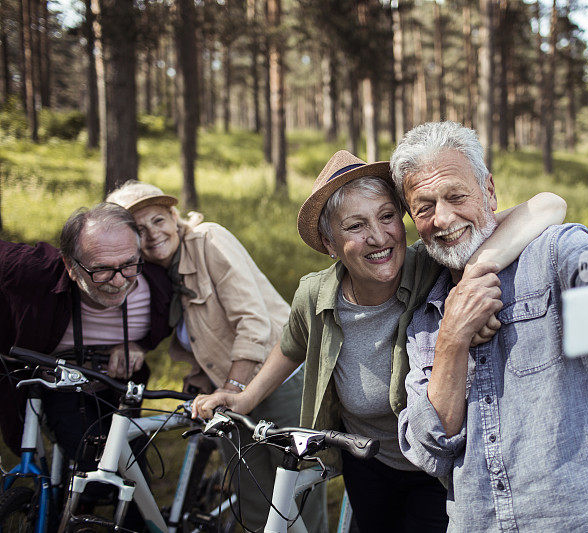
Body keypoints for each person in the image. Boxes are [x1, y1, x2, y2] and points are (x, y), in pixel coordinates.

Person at [192, 149, 568, 532]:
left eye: (387, 216)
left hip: (439, 464)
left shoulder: (430, 263)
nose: (378, 237)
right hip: (366, 460)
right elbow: (291, 347)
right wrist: (244, 398)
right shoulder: (315, 295)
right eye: (355, 226)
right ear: (330, 243)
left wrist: (471, 280)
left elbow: (548, 206)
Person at [392, 121, 588, 532]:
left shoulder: (553, 254)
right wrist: (453, 337)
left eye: (456, 195)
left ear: (490, 191)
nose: (442, 218)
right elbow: (431, 452)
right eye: (424, 207)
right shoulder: (425, 323)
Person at [105, 181, 324, 533]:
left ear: (174, 217)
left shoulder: (208, 239)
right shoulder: (161, 273)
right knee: (253, 502)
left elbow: (252, 322)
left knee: (296, 502)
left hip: (281, 380)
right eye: (139, 230)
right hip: (231, 395)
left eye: (158, 221)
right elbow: (200, 336)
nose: (152, 235)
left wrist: (232, 386)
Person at [0, 202, 170, 475]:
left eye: (128, 264)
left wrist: (139, 346)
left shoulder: (159, 287)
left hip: (122, 388)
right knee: (86, 468)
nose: (118, 282)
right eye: (101, 269)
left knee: (132, 472)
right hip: (59, 389)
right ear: (69, 265)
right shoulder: (34, 270)